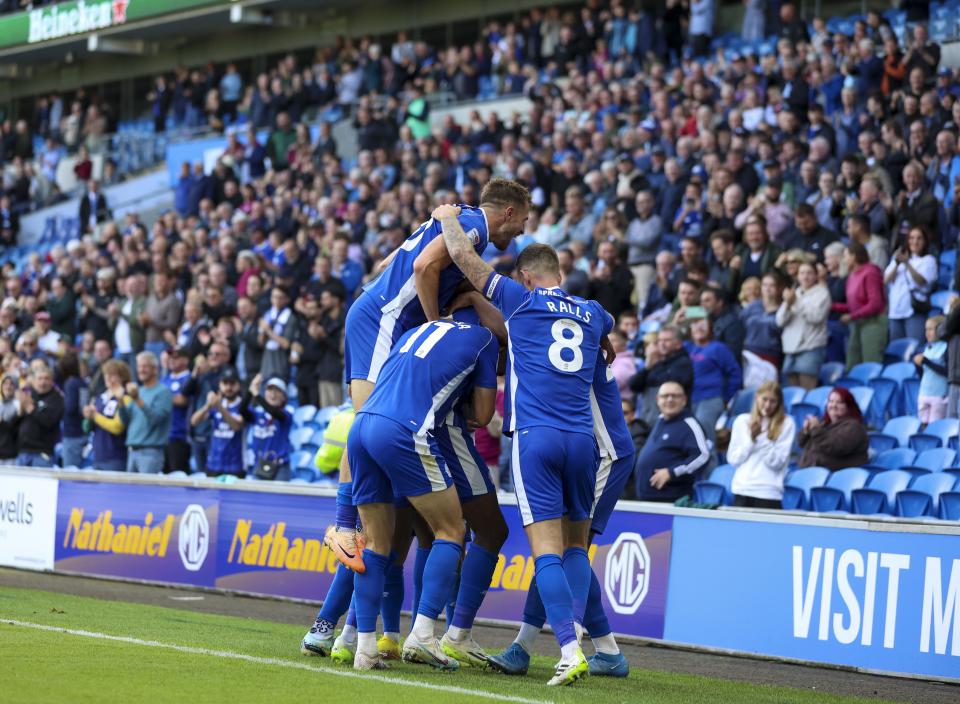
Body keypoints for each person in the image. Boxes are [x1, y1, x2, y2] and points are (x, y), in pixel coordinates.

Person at [438, 205, 612, 685]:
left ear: (529, 278)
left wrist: (447, 216)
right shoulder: (594, 313)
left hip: (538, 439)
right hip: (583, 442)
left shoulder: (521, 300)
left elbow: (462, 257)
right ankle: (580, 645)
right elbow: (608, 327)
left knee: (547, 554)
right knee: (577, 549)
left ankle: (569, 650)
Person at [330, 178, 529, 572]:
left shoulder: (458, 219)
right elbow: (422, 266)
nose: (522, 230)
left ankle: (355, 526)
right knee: (367, 418)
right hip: (385, 319)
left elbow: (397, 260)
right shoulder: (472, 228)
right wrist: (434, 322)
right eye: (522, 220)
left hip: (378, 312)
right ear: (508, 213)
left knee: (372, 418)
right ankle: (342, 525)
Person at [346, 315, 499, 672]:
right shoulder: (486, 339)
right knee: (451, 531)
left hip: (363, 423)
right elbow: (482, 414)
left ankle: (365, 649)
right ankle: (424, 633)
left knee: (376, 546)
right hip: (405, 429)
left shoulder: (417, 329)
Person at [487, 346, 637, 678]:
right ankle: (609, 653)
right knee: (562, 550)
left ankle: (550, 645)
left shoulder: (553, 339)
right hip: (594, 449)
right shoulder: (575, 333)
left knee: (566, 550)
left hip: (607, 455)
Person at [633, 381, 710, 501]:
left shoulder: (690, 424)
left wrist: (671, 472)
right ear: (658, 399)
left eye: (675, 396)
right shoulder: (660, 421)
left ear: (684, 399)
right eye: (665, 396)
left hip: (670, 502)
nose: (669, 399)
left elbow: (702, 456)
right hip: (647, 499)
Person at [727, 381, 796, 508]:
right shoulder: (742, 421)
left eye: (773, 401)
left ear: (779, 403)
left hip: (769, 492)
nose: (768, 405)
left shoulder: (787, 423)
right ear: (757, 397)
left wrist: (761, 438)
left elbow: (777, 463)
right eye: (764, 399)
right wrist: (750, 440)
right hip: (742, 489)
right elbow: (733, 459)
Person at [686, 316, 742, 444]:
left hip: (711, 398)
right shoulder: (686, 348)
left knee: (702, 433)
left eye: (702, 323)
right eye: (695, 323)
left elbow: (735, 374)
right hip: (688, 400)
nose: (699, 327)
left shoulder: (718, 348)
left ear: (710, 328)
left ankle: (711, 462)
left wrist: (726, 397)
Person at [777, 261, 831, 390]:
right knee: (791, 391)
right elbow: (780, 321)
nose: (805, 277)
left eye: (809, 273)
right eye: (802, 273)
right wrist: (788, 305)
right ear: (797, 276)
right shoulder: (794, 292)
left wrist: (796, 302)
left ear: (816, 276)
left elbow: (816, 317)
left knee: (806, 390)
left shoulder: (822, 293)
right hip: (790, 348)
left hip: (810, 346)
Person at [627, 325, 693, 429]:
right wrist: (648, 365)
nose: (661, 344)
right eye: (659, 340)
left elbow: (665, 383)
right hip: (649, 420)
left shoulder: (683, 363)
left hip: (673, 421)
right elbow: (633, 385)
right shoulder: (656, 362)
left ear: (678, 344)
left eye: (666, 340)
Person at [835, 243, 887, 370]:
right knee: (852, 363)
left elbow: (875, 303)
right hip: (857, 323)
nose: (844, 259)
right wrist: (831, 306)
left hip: (873, 323)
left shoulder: (870, 272)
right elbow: (854, 305)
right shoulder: (852, 275)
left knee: (870, 363)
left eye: (846, 256)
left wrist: (851, 316)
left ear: (854, 256)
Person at [884, 226, 937, 345]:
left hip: (914, 311)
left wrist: (907, 263)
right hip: (895, 311)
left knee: (914, 347)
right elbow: (886, 280)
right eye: (911, 238)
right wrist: (897, 263)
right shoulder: (897, 260)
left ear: (925, 241)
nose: (915, 241)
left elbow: (921, 281)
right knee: (896, 351)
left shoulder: (929, 260)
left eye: (919, 238)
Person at [123, 351, 173, 474]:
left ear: (155, 369)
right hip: (131, 451)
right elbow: (126, 420)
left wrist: (137, 399)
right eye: (139, 366)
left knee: (146, 492)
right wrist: (120, 402)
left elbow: (156, 419)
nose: (141, 370)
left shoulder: (163, 392)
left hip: (151, 453)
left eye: (145, 366)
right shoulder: (139, 391)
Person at [191, 366, 245, 477]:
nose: (229, 387)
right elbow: (194, 421)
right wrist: (208, 405)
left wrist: (219, 406)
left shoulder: (243, 405)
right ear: (220, 385)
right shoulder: (215, 405)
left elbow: (236, 426)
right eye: (225, 383)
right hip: (214, 464)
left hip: (235, 465)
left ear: (238, 385)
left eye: (232, 383)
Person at [797, 387, 869, 470]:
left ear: (849, 406)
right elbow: (802, 444)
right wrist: (805, 431)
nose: (833, 405)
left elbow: (836, 447)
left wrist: (816, 429)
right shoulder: (824, 424)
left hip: (839, 476)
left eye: (839, 402)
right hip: (811, 471)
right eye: (831, 401)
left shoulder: (854, 427)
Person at [83, 359, 131, 472]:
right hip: (97, 455)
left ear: (122, 377)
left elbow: (117, 427)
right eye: (106, 374)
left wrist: (95, 416)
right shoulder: (100, 398)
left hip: (115, 456)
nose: (108, 378)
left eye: (113, 375)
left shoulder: (126, 398)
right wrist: (87, 418)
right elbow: (86, 429)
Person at [244, 374, 294, 481]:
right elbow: (242, 410)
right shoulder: (257, 413)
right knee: (256, 497)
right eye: (270, 390)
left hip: (280, 467)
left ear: (284, 396)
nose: (273, 394)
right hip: (260, 464)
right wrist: (250, 390)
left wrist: (256, 395)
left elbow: (273, 412)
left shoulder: (287, 413)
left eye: (277, 391)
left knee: (280, 497)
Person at [14, 363, 64, 467]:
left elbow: (50, 421)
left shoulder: (57, 399)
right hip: (22, 452)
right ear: (34, 380)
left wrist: (31, 409)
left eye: (46, 378)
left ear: (52, 381)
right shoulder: (28, 395)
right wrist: (20, 411)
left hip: (42, 453)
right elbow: (15, 424)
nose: (43, 382)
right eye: (40, 378)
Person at [163, 347, 193, 472]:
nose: (171, 360)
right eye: (170, 357)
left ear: (186, 360)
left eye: (176, 357)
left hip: (179, 435)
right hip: (163, 436)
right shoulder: (165, 378)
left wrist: (160, 397)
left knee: (177, 475)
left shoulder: (189, 379)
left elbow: (183, 400)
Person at [915, 315, 949, 425]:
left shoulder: (946, 347)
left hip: (939, 395)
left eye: (931, 329)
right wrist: (918, 364)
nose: (927, 332)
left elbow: (947, 372)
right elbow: (923, 372)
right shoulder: (927, 347)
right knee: (923, 426)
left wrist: (926, 362)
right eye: (926, 329)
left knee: (935, 428)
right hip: (924, 393)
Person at [58, 351, 87, 468]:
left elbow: (70, 408)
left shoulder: (70, 383)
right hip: (82, 430)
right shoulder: (83, 383)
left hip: (72, 433)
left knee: (70, 472)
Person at [0, 375, 18, 462]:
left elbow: (15, 427)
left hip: (11, 454)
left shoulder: (18, 404)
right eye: (5, 383)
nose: (8, 387)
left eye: (11, 384)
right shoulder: (0, 404)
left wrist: (2, 422)